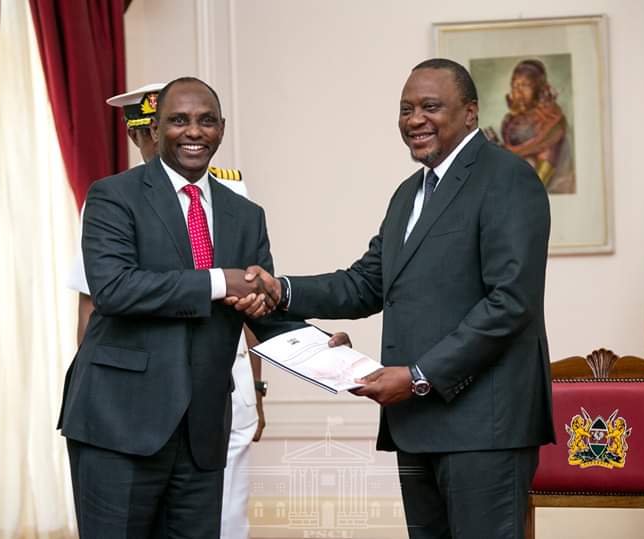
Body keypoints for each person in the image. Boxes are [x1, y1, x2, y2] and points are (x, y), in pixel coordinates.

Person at [234, 59, 554, 538]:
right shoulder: (409, 193)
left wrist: (421, 377)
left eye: (430, 107)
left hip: (485, 430)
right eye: (405, 109)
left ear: (470, 113)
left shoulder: (507, 178)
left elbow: (510, 302)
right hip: (417, 422)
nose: (414, 120)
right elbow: (366, 283)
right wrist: (282, 290)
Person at [58, 76, 322, 539]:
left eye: (206, 121)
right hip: (119, 424)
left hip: (202, 430)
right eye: (178, 121)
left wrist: (326, 353)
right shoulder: (112, 196)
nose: (193, 132)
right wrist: (221, 281)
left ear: (222, 128)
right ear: (155, 129)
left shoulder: (247, 214)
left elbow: (261, 306)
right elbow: (115, 289)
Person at [493, 58, 575, 194]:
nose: (517, 92)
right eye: (514, 85)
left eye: (525, 85)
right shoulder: (511, 120)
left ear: (539, 88)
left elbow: (538, 182)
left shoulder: (550, 122)